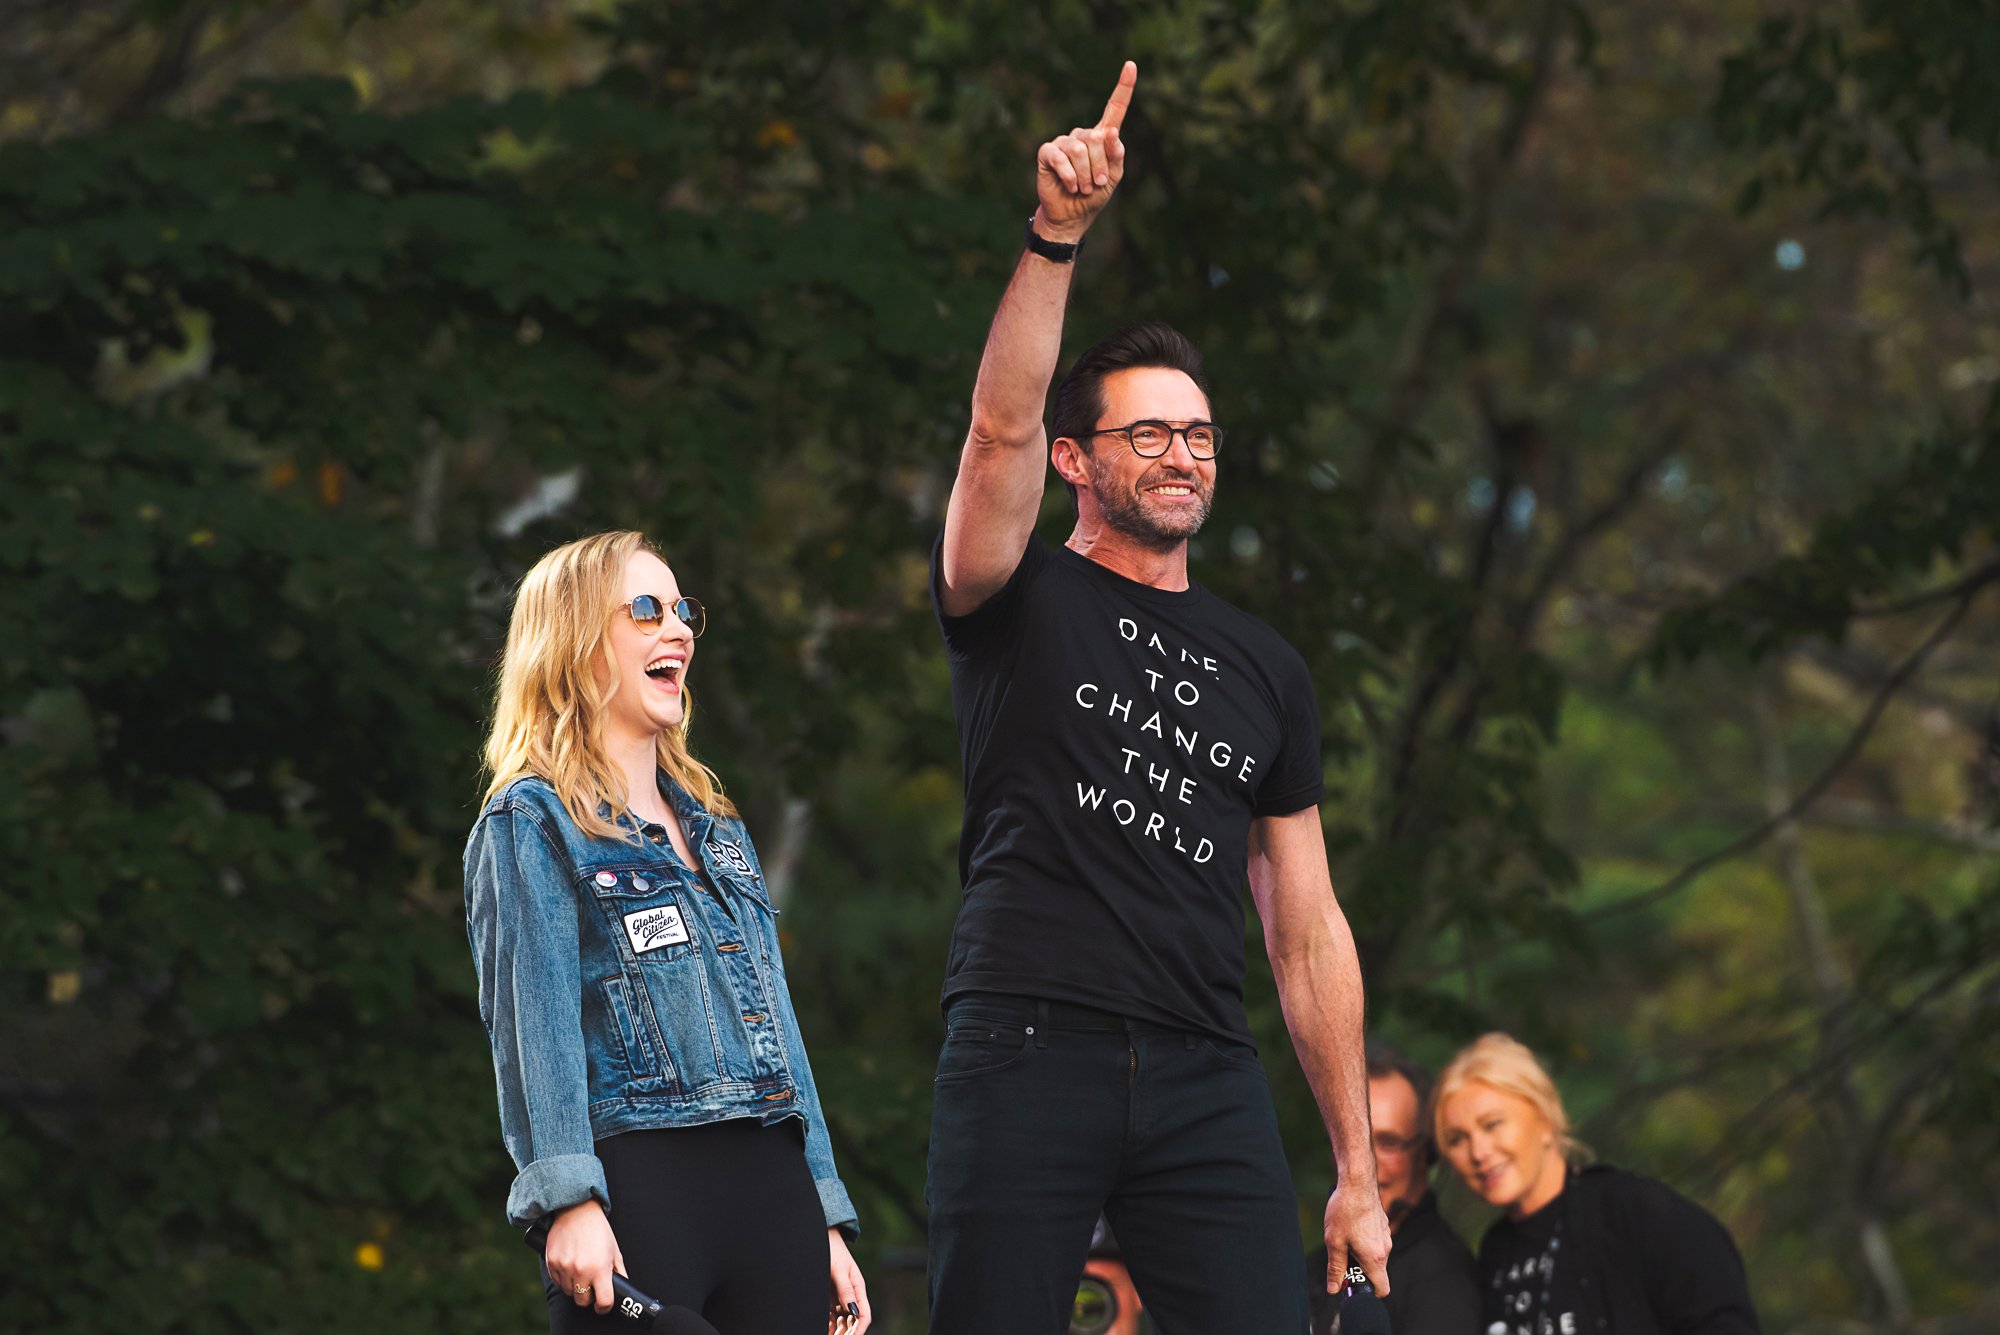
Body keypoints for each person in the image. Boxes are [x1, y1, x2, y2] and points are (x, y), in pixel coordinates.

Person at [925, 60, 1391, 1334]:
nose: (1181, 454)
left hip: (1203, 1070)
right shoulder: (1014, 595)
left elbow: (1305, 932)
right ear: (1078, 460)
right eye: (1147, 433)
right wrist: (1055, 234)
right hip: (1028, 1041)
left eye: (1198, 436)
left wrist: (1353, 1171)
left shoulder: (1264, 665)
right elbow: (994, 431)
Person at [463, 530, 870, 1334]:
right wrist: (567, 1199)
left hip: (774, 1192)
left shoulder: (720, 830)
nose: (678, 629)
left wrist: (825, 1210)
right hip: (641, 1189)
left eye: (682, 610)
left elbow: (781, 1032)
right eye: (646, 610)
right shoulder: (531, 821)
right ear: (574, 642)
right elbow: (531, 1025)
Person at [1434, 1033, 1760, 1335]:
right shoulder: (1495, 1252)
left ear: (1545, 1121)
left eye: (1492, 1125)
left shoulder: (1635, 1213)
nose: (1478, 1152)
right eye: (1457, 1139)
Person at [1310, 1045, 1481, 1335]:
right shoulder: (1312, 1267)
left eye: (1388, 1142)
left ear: (1426, 1154)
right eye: (1352, 1144)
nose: (1365, 1166)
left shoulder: (1447, 1281)